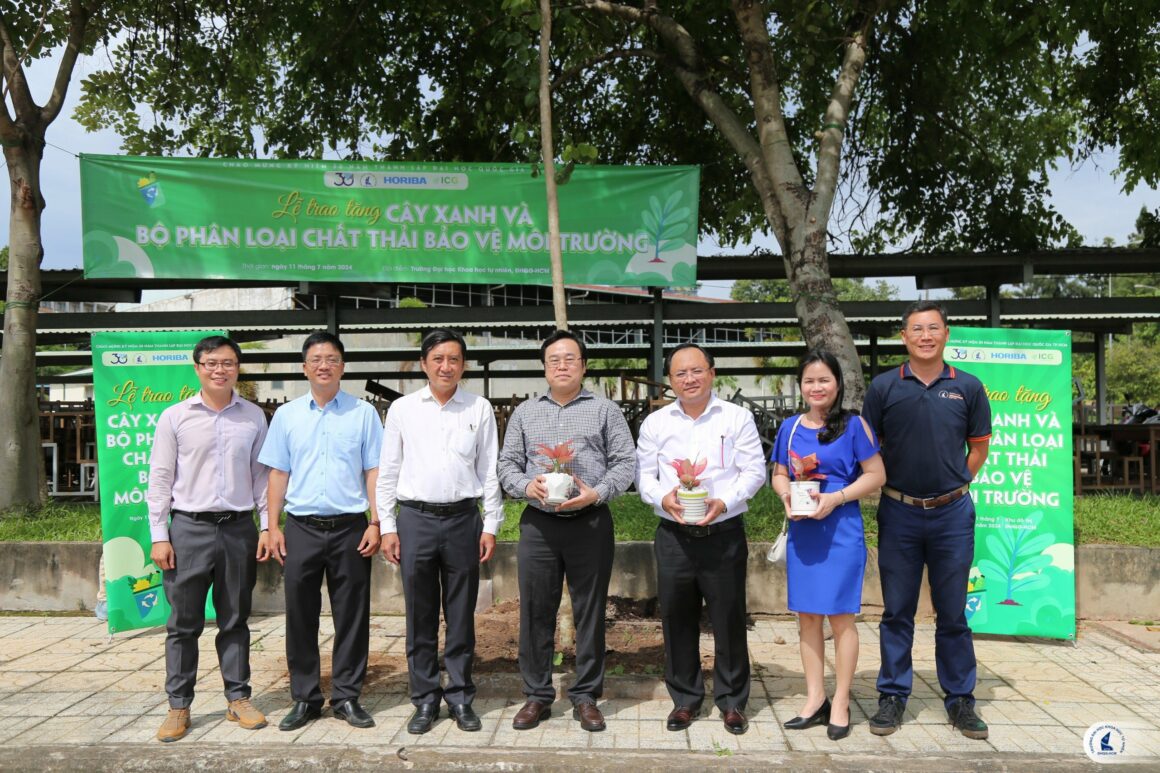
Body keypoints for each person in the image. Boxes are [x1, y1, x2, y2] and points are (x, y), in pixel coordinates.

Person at [860, 301, 992, 740]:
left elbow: (978, 449)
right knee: (897, 611)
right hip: (898, 513)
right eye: (916, 329)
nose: (925, 335)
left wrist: (954, 487)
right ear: (904, 336)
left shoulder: (969, 387)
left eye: (933, 328)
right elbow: (866, 449)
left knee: (952, 612)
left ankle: (960, 699)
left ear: (946, 334)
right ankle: (893, 696)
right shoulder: (883, 388)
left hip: (952, 515)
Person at [497, 330, 636, 733]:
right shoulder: (525, 413)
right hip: (539, 525)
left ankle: (586, 695)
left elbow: (626, 462)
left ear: (583, 365)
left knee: (590, 611)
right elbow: (507, 464)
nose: (561, 365)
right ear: (544, 367)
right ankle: (537, 695)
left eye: (569, 358)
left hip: (590, 522)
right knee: (535, 611)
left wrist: (599, 492)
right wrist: (527, 486)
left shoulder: (605, 410)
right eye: (554, 359)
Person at [376, 328, 503, 735]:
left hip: (464, 520)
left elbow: (489, 470)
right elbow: (388, 471)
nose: (446, 366)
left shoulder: (479, 408)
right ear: (424, 364)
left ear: (462, 364)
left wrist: (492, 524)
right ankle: (425, 699)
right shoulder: (403, 410)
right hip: (415, 520)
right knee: (421, 614)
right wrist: (388, 525)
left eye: (453, 359)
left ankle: (462, 697)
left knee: (462, 614)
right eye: (438, 359)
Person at [635, 343, 766, 735]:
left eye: (696, 371)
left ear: (711, 373)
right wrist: (663, 497)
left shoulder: (736, 417)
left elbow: (754, 470)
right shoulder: (656, 423)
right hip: (674, 534)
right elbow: (643, 475)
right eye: (680, 374)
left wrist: (725, 501)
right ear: (670, 380)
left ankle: (732, 701)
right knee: (677, 617)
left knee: (728, 617)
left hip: (723, 533)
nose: (689, 379)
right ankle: (685, 700)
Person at [146, 334, 270, 742]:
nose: (221, 370)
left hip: (237, 528)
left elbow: (260, 478)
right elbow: (161, 478)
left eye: (229, 363)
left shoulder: (253, 417)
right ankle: (179, 706)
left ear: (237, 367)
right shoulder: (175, 417)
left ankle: (238, 698)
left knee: (235, 619)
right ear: (197, 367)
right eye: (212, 363)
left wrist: (268, 525)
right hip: (188, 529)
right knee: (183, 624)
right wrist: (159, 535)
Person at [258, 331, 383, 731]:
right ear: (304, 366)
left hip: (351, 529)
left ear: (342, 366)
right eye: (316, 359)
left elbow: (374, 471)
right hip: (301, 528)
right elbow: (278, 472)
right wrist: (271, 526)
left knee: (352, 616)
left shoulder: (363, 414)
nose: (324, 365)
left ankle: (347, 696)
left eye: (331, 358)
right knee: (300, 615)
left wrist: (377, 522)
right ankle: (306, 698)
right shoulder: (287, 415)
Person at [770, 349, 885, 741]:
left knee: (841, 617)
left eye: (824, 380)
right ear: (800, 385)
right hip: (804, 531)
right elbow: (780, 474)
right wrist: (787, 496)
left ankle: (841, 700)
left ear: (838, 384)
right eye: (809, 381)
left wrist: (836, 498)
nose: (816, 387)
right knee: (806, 617)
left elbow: (876, 475)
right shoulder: (789, 427)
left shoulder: (855, 426)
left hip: (841, 530)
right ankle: (815, 698)